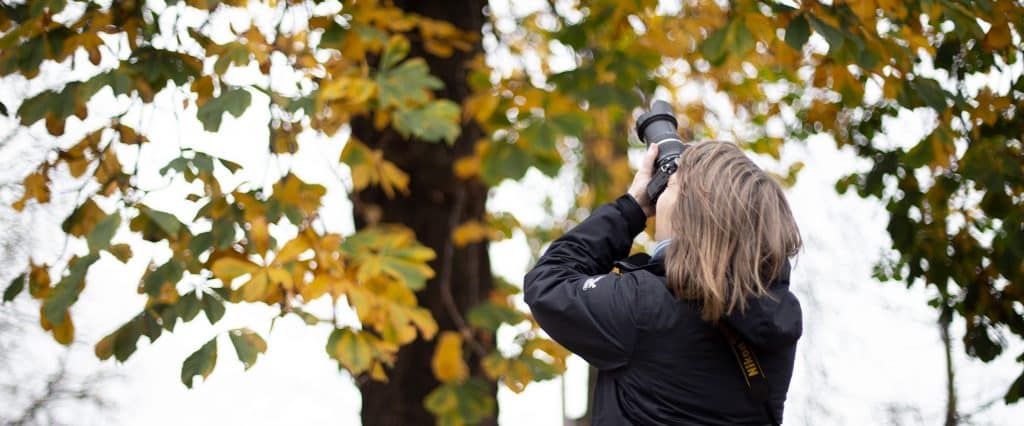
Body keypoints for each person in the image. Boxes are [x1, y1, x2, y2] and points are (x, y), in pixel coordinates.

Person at [523, 140, 803, 425]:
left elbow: (547, 283)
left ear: (689, 211)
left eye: (670, 187)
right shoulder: (776, 318)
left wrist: (631, 208)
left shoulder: (646, 307)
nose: (661, 196)